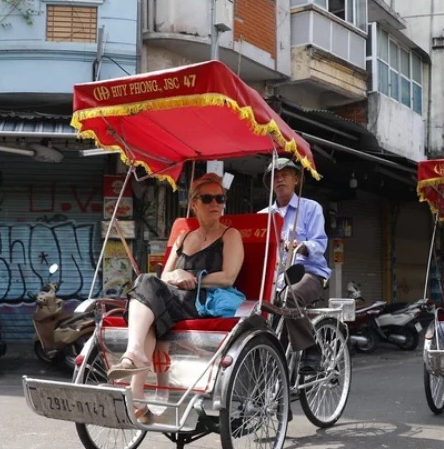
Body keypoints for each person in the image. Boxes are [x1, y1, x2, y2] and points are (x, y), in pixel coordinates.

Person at [106, 173, 244, 421]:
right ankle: (137, 397)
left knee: (146, 284)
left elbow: (228, 277)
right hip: (173, 299)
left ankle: (135, 358)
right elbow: (166, 275)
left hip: (202, 302)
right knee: (147, 285)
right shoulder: (183, 238)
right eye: (208, 198)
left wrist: (191, 276)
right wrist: (176, 275)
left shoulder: (230, 235)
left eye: (220, 198)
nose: (216, 204)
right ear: (194, 203)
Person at [259, 157, 331, 373]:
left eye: (285, 174)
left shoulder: (310, 208)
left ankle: (311, 348)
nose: (280, 179)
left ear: (296, 179)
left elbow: (320, 243)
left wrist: (301, 246)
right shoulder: (264, 216)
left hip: (308, 273)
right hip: (276, 278)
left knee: (291, 297)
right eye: (276, 176)